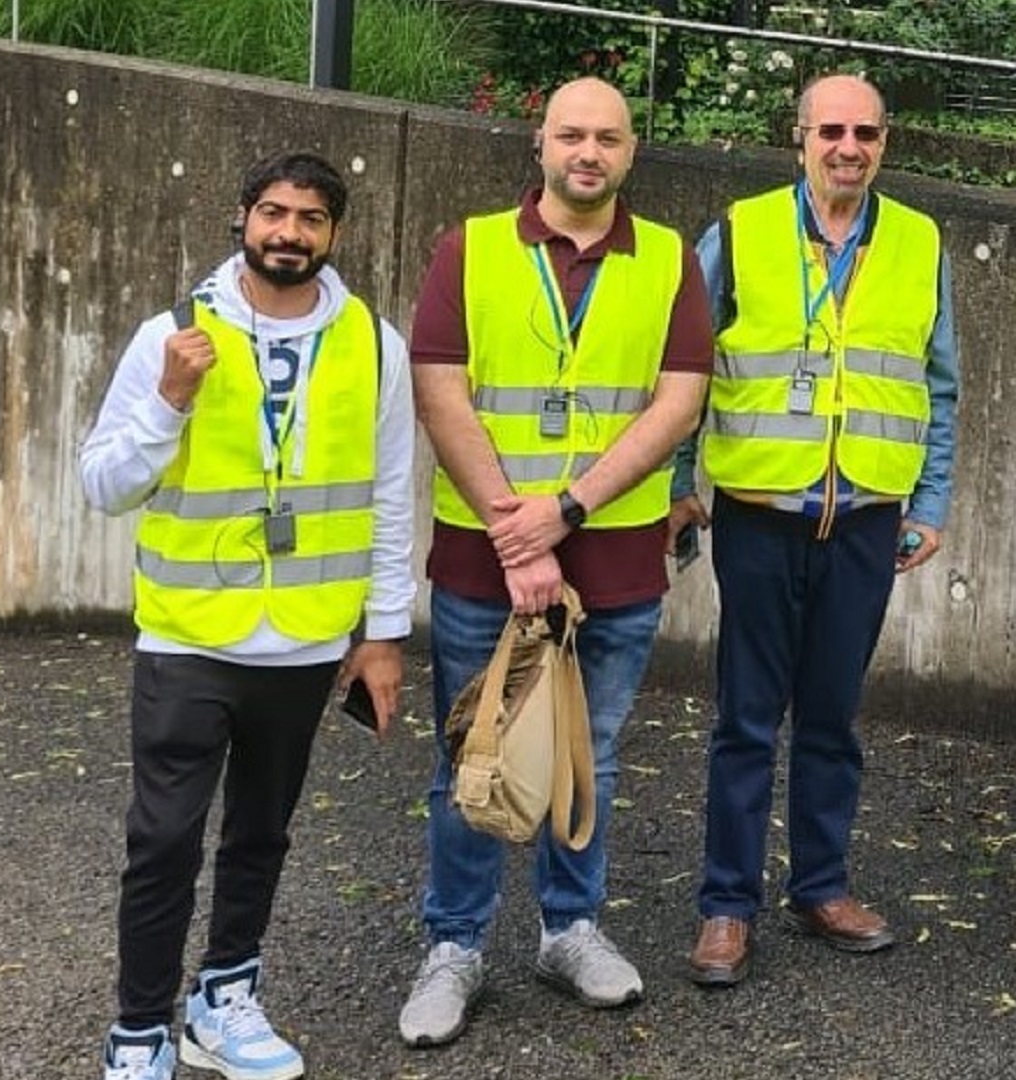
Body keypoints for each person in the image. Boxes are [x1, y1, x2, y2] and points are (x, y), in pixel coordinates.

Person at [80, 151, 415, 1080]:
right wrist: (168, 401)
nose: (289, 234)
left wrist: (383, 634)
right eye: (273, 213)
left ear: (333, 234)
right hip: (188, 635)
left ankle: (222, 1000)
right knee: (163, 842)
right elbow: (103, 484)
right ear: (242, 218)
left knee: (262, 834)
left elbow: (391, 499)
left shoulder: (373, 345)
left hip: (306, 642)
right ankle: (140, 1031)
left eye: (310, 219)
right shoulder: (170, 335)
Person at [398, 77, 713, 1045]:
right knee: (473, 751)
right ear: (540, 145)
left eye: (608, 137)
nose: (590, 152)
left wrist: (568, 508)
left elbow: (680, 401)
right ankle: (454, 944)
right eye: (572, 134)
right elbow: (440, 391)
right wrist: (517, 532)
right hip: (485, 558)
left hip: (615, 556)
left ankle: (569, 928)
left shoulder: (666, 259)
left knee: (592, 754)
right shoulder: (473, 247)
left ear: (630, 152)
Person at [676, 72, 958, 987]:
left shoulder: (919, 242)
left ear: (885, 141)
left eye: (865, 133)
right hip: (759, 519)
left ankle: (822, 885)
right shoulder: (742, 231)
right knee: (746, 721)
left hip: (868, 522)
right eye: (831, 130)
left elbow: (940, 382)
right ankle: (726, 908)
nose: (849, 147)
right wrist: (682, 485)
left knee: (833, 719)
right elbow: (686, 369)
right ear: (797, 137)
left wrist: (932, 501)